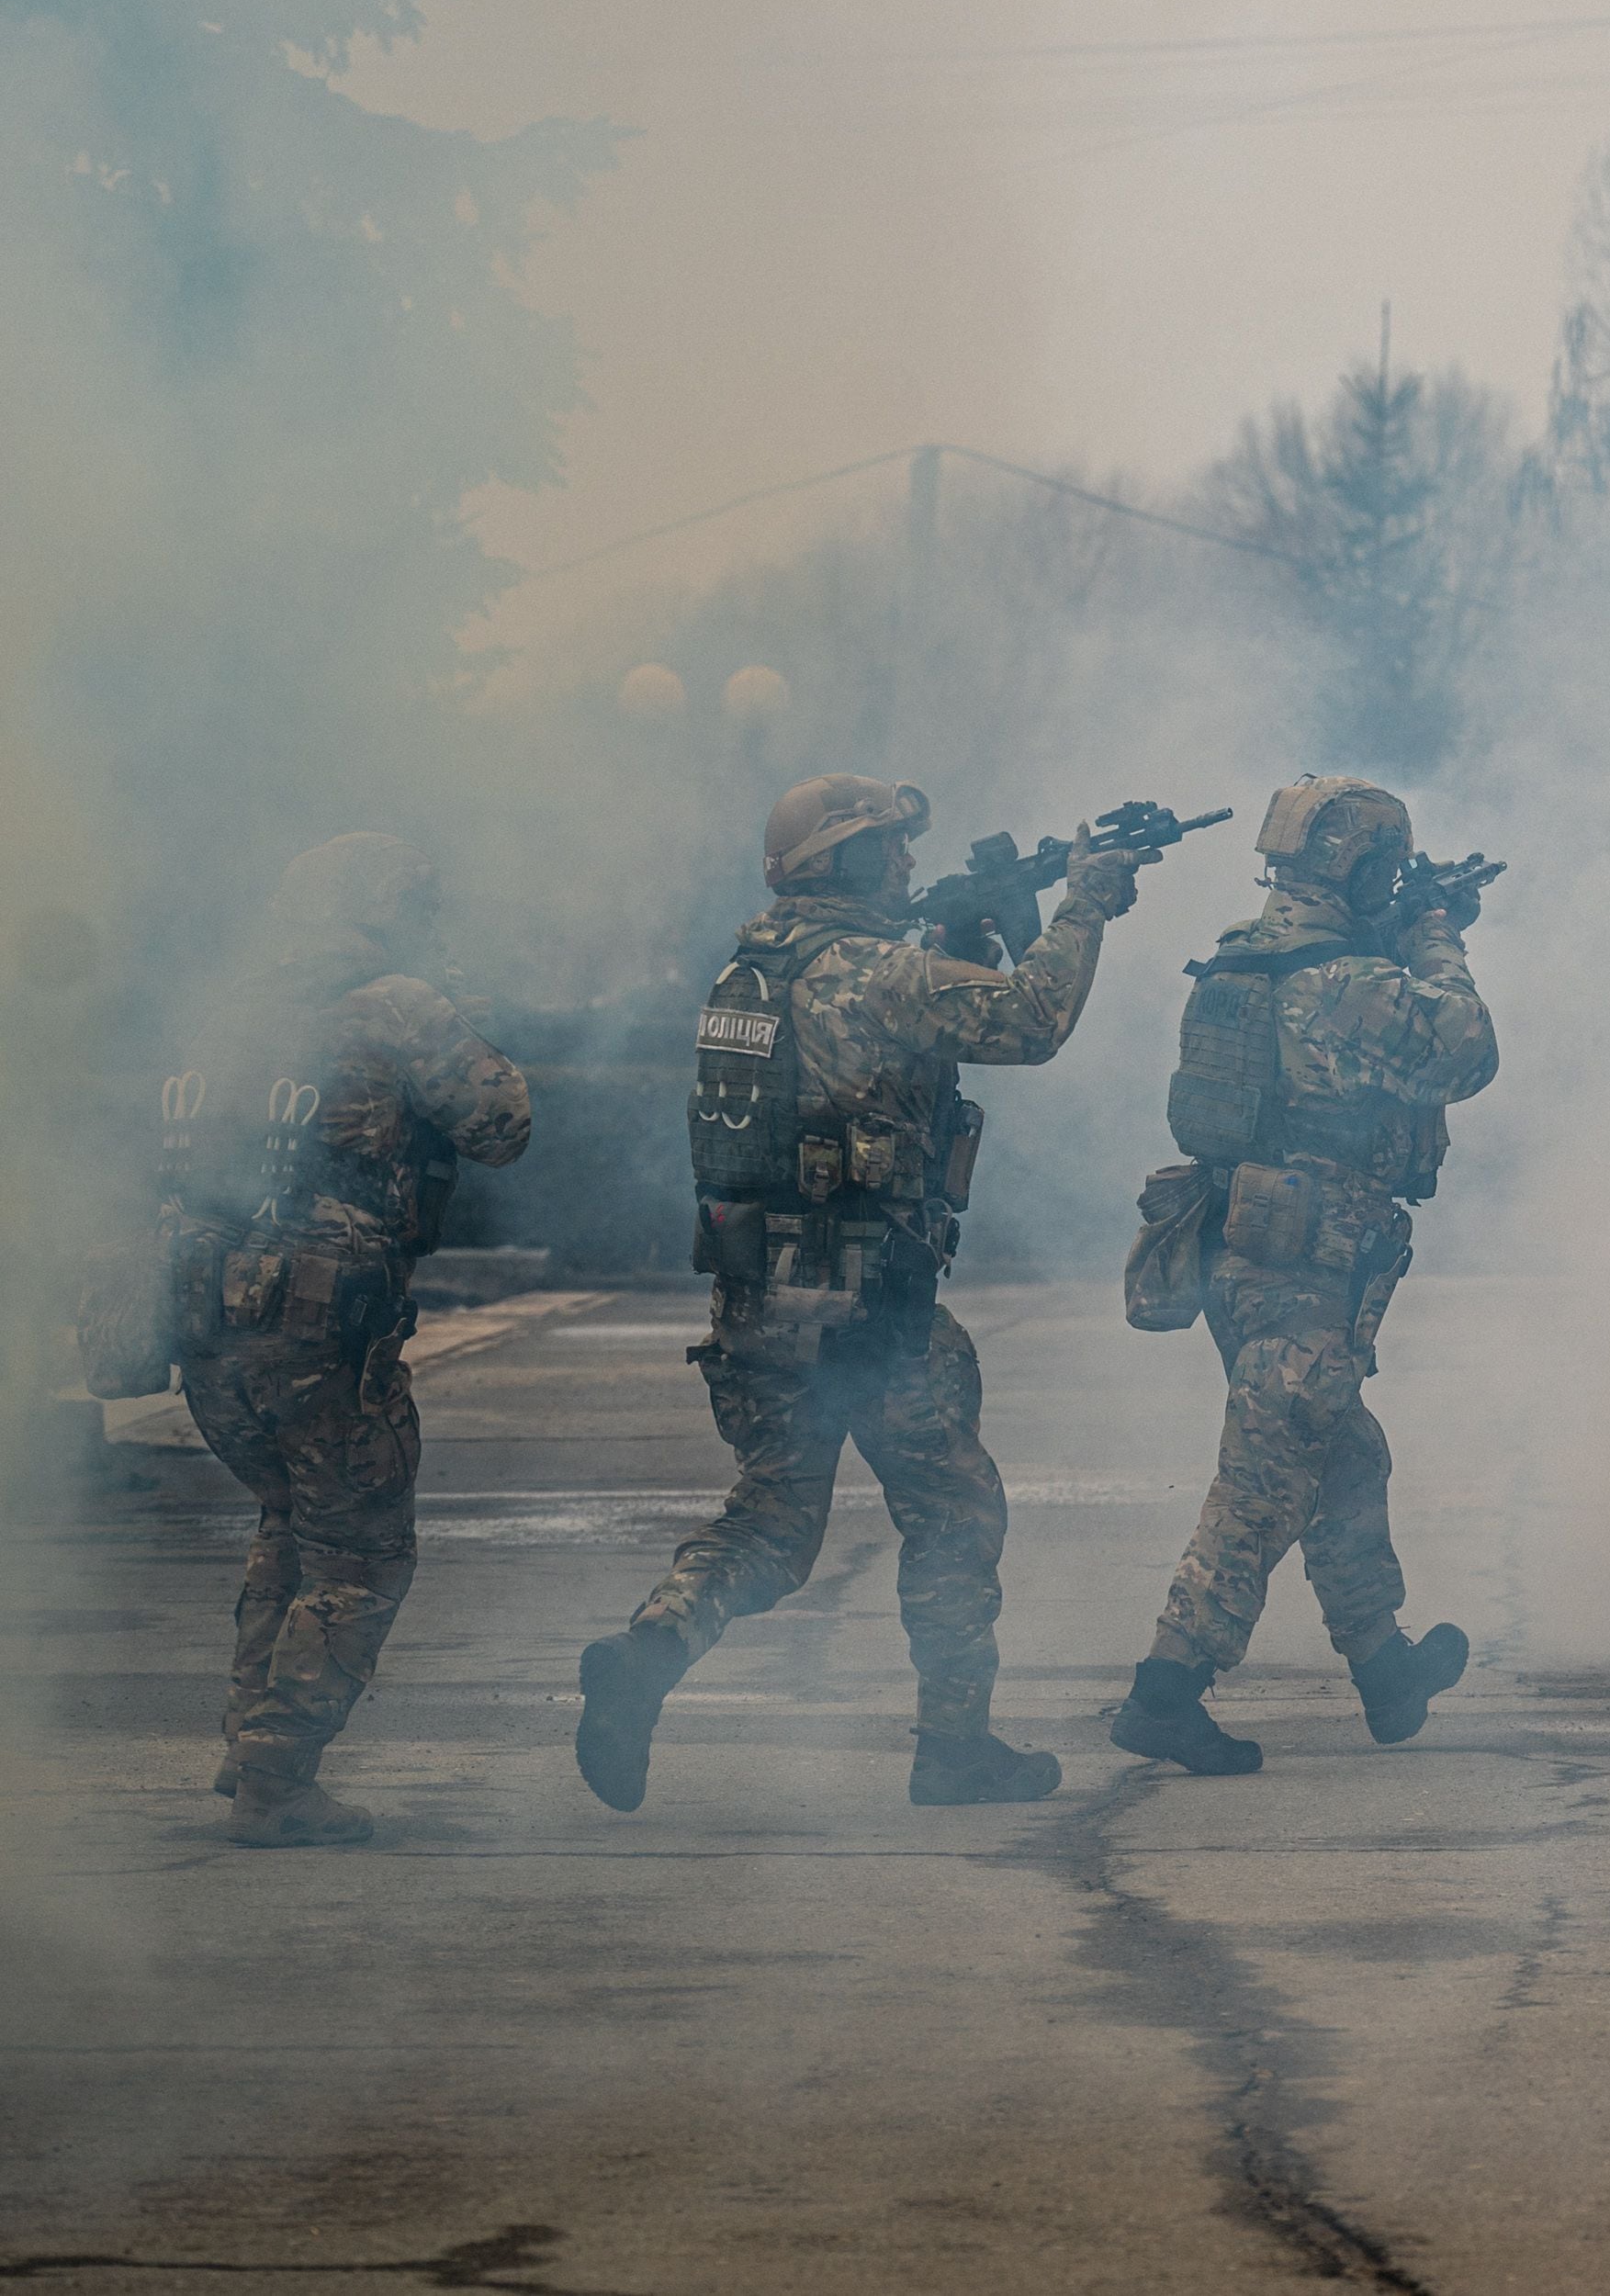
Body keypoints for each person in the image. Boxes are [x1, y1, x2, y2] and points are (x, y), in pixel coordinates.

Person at [575, 775, 1146, 1810]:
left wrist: (970, 929)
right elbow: (1030, 1022)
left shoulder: (748, 970)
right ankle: (953, 1748)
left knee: (772, 1524)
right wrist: (1084, 903)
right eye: (888, 847)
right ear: (842, 858)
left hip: (757, 1290)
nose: (906, 864)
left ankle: (649, 1648)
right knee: (955, 1509)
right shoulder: (881, 972)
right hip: (870, 1304)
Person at [1107, 777, 1497, 1777]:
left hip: (1246, 1251)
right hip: (1306, 1262)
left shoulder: (1249, 952)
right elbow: (1466, 1049)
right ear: (1360, 867)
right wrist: (1436, 937)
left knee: (1344, 1464)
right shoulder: (1341, 975)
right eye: (1388, 869)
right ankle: (1167, 1687)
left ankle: (1384, 1669)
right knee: (1266, 1479)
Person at [174, 835, 532, 1847]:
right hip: (318, 1332)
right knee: (365, 1555)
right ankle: (277, 1781)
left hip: (206, 1326)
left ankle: (250, 1743)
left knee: (290, 1527)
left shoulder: (227, 1003)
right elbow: (502, 1123)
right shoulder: (397, 1003)